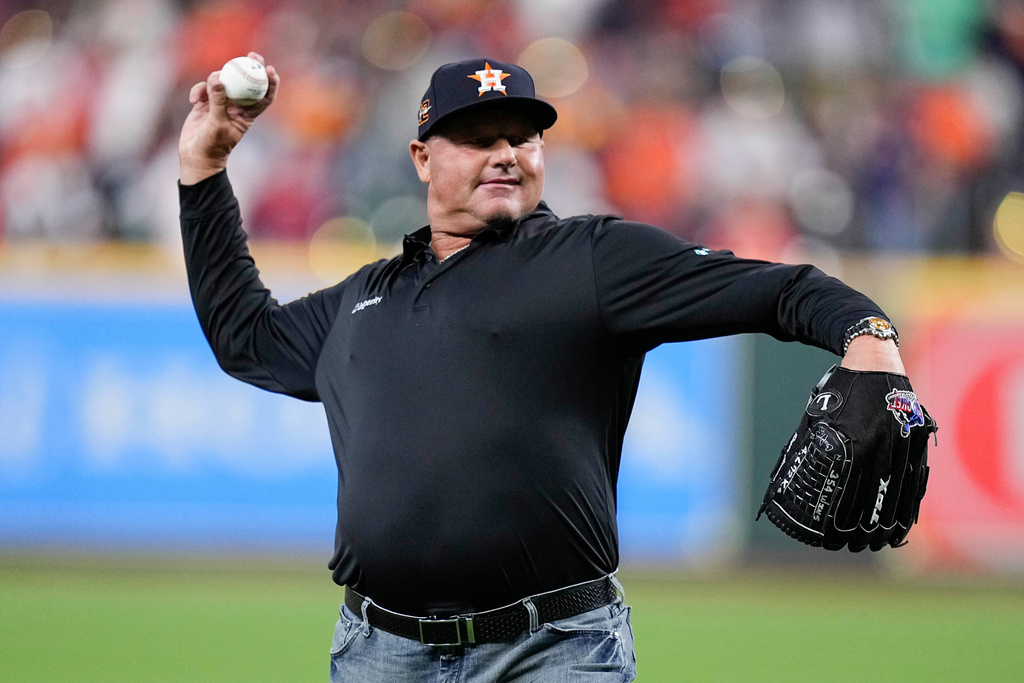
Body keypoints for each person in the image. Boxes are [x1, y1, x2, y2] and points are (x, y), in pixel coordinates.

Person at [178, 53, 905, 682]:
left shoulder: (592, 260)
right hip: (378, 651)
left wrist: (868, 335)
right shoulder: (364, 299)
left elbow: (781, 288)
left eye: (521, 137)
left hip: (552, 648)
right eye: (475, 138)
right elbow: (247, 337)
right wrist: (205, 167)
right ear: (423, 158)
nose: (505, 153)